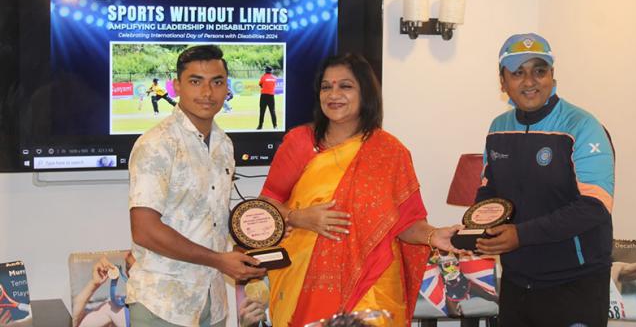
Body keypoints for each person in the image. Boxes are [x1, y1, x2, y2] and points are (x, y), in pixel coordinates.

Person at [259, 53, 464, 326]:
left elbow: (407, 222)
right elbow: (265, 206)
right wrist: (300, 218)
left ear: (365, 92)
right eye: (326, 86)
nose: (334, 94)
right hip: (308, 282)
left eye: (345, 86)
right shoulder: (299, 142)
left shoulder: (390, 152)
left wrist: (433, 235)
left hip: (373, 283)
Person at [474, 33, 615, 327]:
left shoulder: (582, 126)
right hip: (516, 284)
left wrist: (520, 236)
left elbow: (594, 207)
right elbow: (490, 192)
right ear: (502, 82)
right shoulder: (497, 129)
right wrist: (477, 227)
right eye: (518, 73)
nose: (530, 81)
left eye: (540, 71)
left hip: (575, 284)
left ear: (552, 76)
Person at [127, 45, 266, 327]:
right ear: (177, 86)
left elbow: (211, 219)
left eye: (217, 82)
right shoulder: (157, 144)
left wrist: (247, 247)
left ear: (226, 87)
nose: (207, 93)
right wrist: (218, 259)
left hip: (211, 303)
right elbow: (144, 230)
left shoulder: (224, 144)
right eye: (195, 81)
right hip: (163, 305)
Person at [72, 252, 135, 327]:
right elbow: (74, 323)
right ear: (127, 273)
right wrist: (94, 284)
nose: (126, 255)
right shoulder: (116, 309)